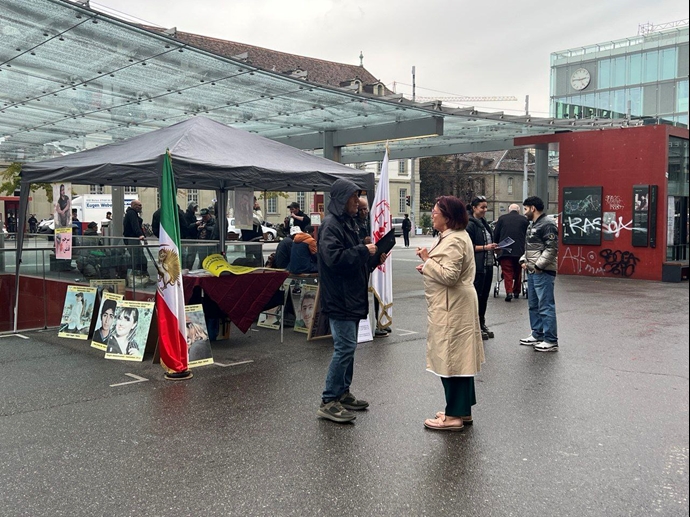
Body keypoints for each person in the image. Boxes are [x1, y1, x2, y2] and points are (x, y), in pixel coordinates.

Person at [316, 178, 384, 424]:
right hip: (340, 297)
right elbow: (334, 259)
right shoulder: (331, 225)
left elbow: (354, 262)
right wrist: (363, 251)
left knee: (349, 347)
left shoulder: (348, 224)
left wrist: (374, 258)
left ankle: (342, 393)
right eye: (354, 198)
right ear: (342, 199)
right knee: (344, 347)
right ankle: (329, 399)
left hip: (352, 295)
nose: (358, 202)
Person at [415, 195, 484, 431]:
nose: (432, 215)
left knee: (452, 359)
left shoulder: (454, 240)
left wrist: (427, 260)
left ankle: (454, 416)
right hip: (451, 304)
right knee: (460, 358)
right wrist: (427, 267)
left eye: (435, 212)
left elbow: (450, 276)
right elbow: (444, 270)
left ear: (448, 217)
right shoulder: (453, 236)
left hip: (452, 305)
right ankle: (461, 410)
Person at [519, 196, 559, 352]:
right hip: (533, 270)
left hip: (543, 271)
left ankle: (550, 340)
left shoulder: (547, 224)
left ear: (533, 208)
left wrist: (538, 266)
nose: (525, 212)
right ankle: (537, 334)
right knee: (533, 305)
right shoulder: (533, 224)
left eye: (526, 209)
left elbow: (552, 248)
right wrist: (523, 260)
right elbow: (530, 248)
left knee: (546, 305)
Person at [466, 196, 498, 341]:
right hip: (478, 266)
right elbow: (467, 247)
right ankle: (474, 326)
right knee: (477, 297)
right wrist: (486, 247)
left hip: (488, 265)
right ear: (474, 208)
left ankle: (482, 323)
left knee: (484, 297)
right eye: (482, 207)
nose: (485, 210)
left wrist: (495, 248)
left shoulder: (484, 224)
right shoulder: (470, 224)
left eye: (486, 207)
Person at [493, 203, 529, 301]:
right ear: (518, 210)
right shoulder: (524, 220)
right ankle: (516, 291)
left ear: (509, 210)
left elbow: (496, 233)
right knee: (518, 271)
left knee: (507, 272)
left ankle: (509, 292)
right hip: (519, 251)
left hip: (505, 250)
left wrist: (495, 244)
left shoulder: (502, 218)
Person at [122, 200, 148, 276]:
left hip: (133, 238)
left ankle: (142, 275)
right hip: (132, 239)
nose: (141, 207)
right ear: (134, 205)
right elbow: (135, 225)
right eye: (139, 205)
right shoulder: (132, 213)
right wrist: (140, 234)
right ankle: (139, 275)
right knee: (137, 258)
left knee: (139, 258)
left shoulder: (132, 213)